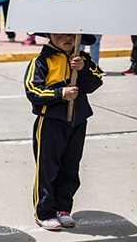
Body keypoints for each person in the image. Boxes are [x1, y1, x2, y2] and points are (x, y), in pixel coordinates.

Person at [25, 33, 103, 230]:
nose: (68, 38)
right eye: (61, 33)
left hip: (77, 122)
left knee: (70, 167)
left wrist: (83, 70)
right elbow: (32, 90)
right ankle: (44, 212)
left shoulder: (83, 59)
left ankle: (63, 208)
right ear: (50, 35)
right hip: (51, 122)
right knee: (48, 168)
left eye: (72, 34)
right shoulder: (42, 61)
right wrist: (61, 94)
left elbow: (96, 82)